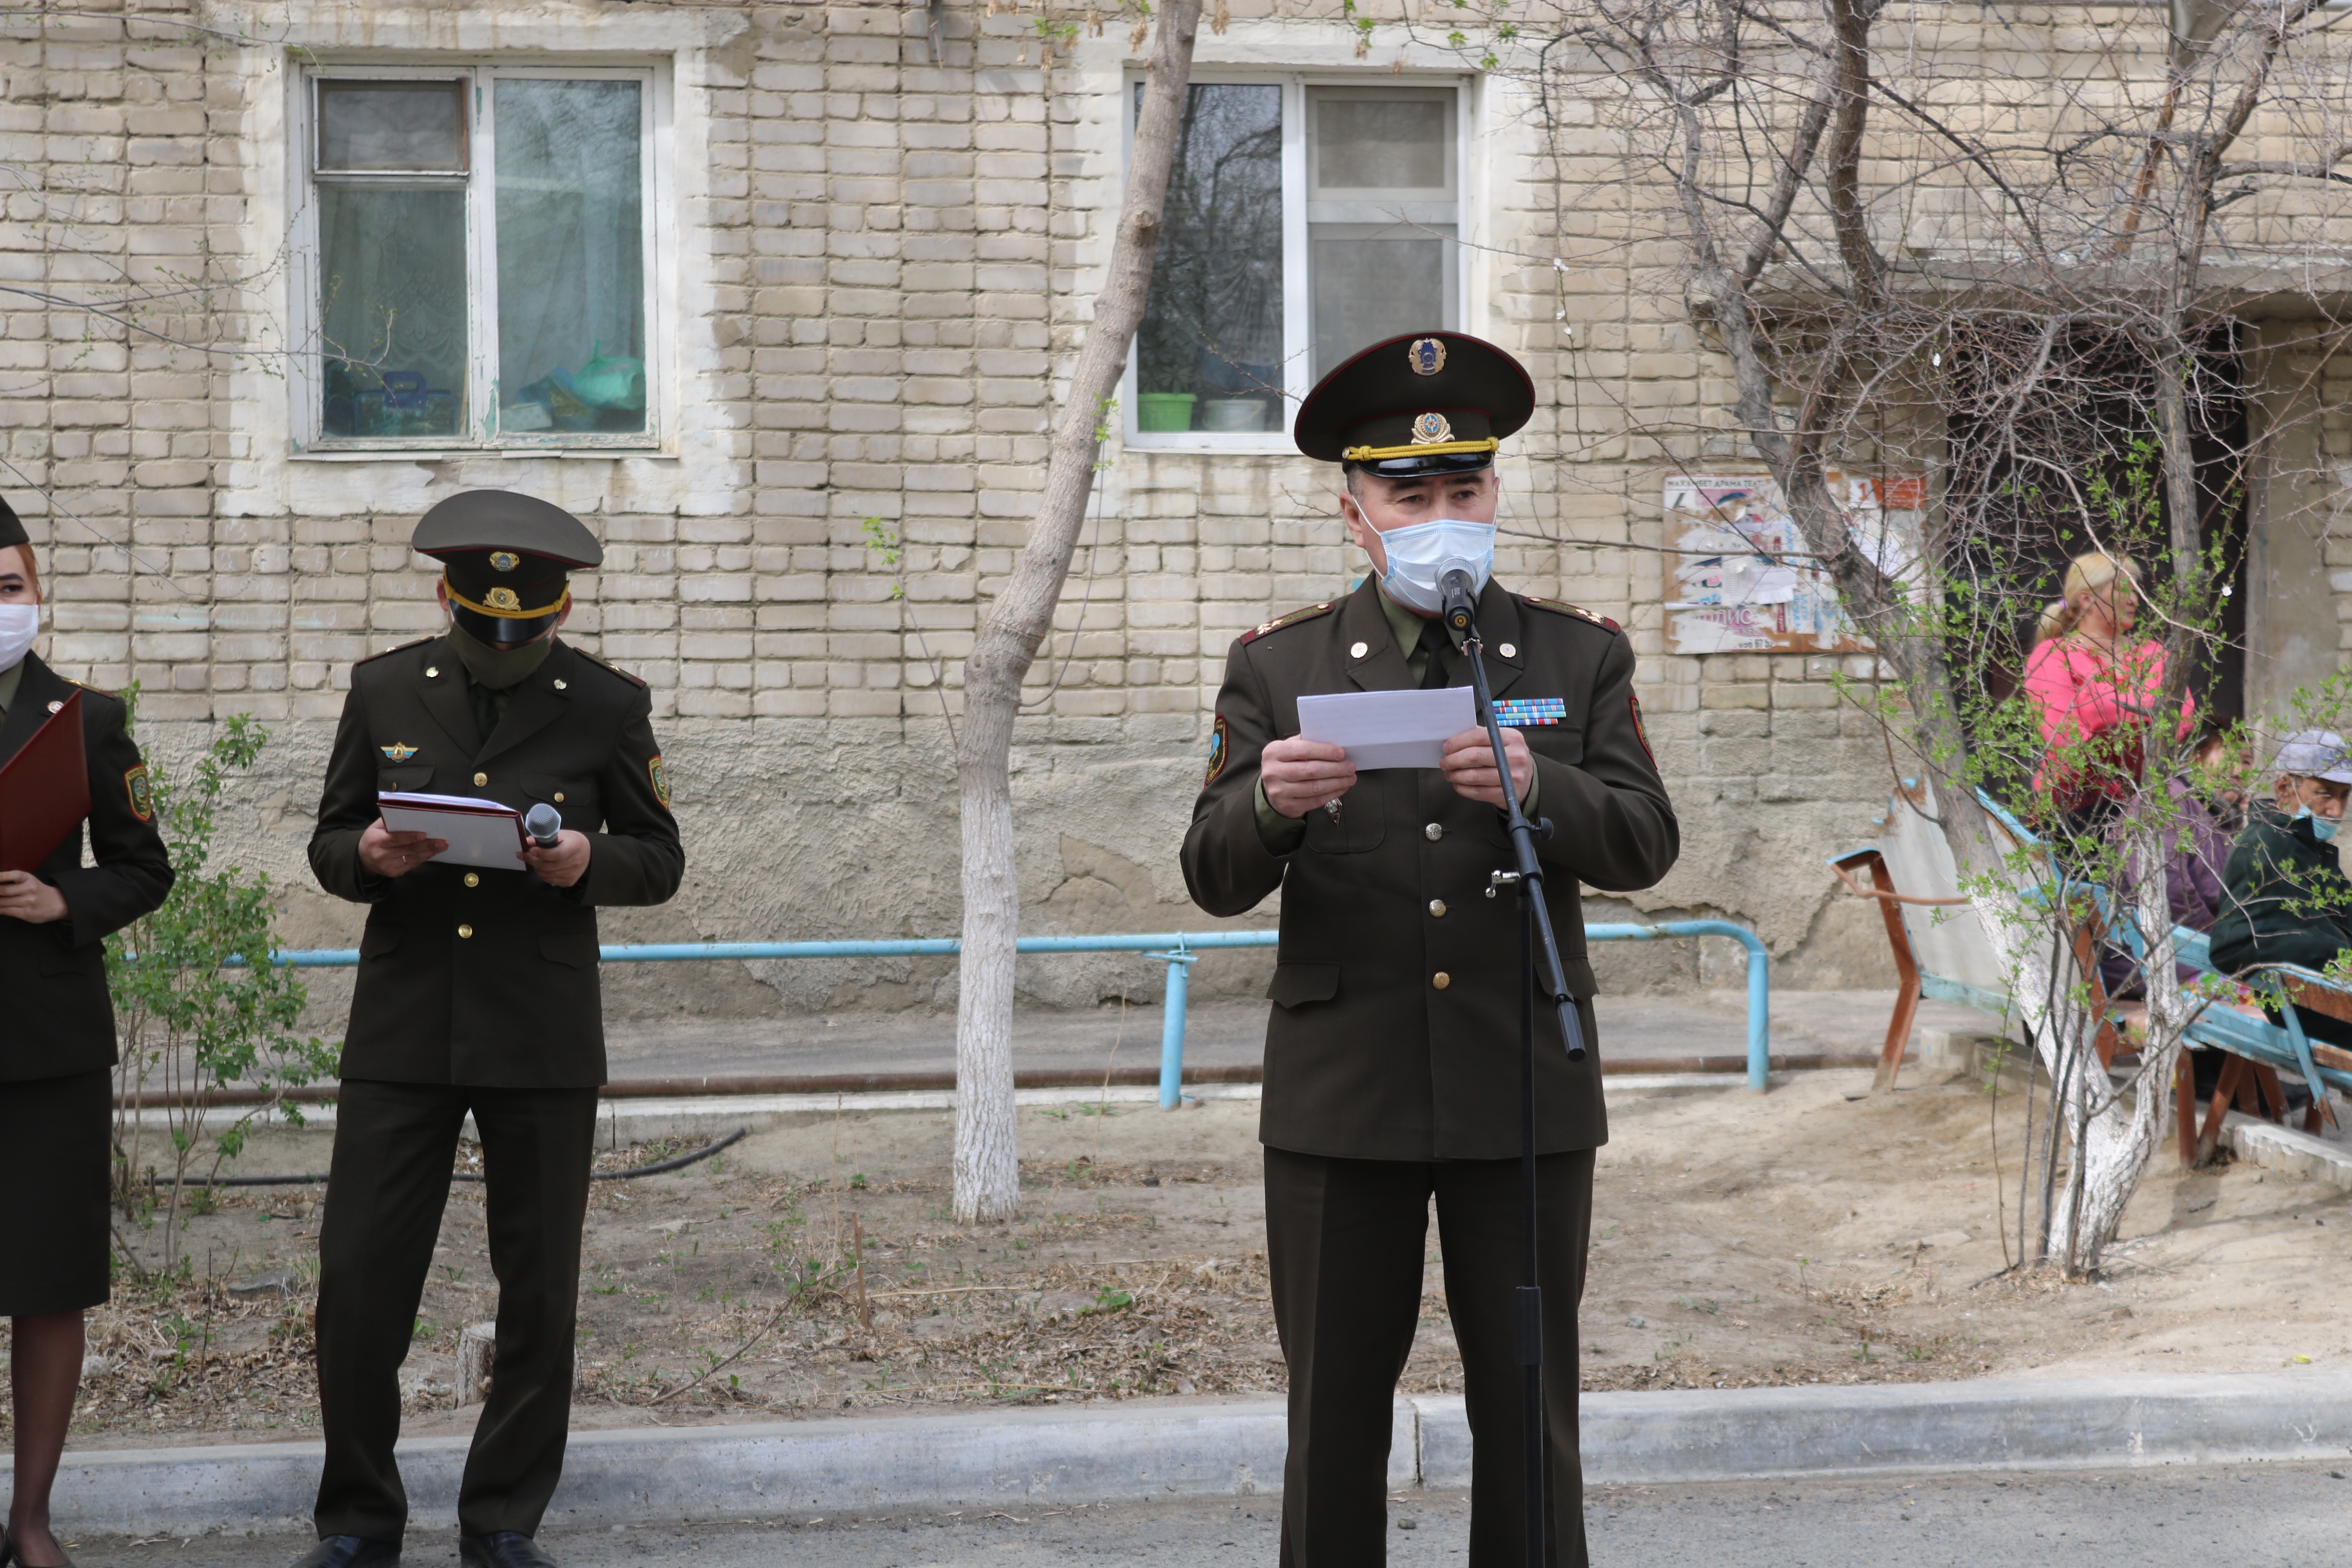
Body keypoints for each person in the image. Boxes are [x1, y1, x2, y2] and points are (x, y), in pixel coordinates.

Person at [1180, 332, 1679, 1567]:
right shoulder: (1277, 666)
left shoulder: (1575, 656)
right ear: (1356, 514)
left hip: (1520, 1085)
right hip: (1342, 1096)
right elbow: (1208, 873)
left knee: (1526, 1408)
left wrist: (1542, 781)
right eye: (1409, 495)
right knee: (1333, 1409)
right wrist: (1267, 808)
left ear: (1493, 495)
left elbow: (1645, 841)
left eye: (1463, 490)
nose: (1439, 515)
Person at [296, 492, 684, 1568]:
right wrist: (366, 858)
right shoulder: (385, 688)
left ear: (558, 617)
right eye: (484, 627)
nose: (504, 645)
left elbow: (660, 856)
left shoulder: (606, 703)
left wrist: (585, 865)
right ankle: (359, 1521)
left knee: (539, 1285)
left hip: (540, 1026)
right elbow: (329, 837)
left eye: (529, 630)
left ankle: (504, 1518)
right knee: (361, 1280)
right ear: (448, 602)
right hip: (406, 1021)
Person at [0, 496, 174, 1568]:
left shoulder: (87, 722)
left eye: (8, 586)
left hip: (46, 1041)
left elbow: (147, 867)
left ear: (36, 593)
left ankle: (32, 1518)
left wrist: (66, 904)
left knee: (48, 1279)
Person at [2020, 551, 2195, 842]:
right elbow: (2065, 738)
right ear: (2087, 599)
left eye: (2136, 590)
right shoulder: (2053, 656)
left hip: (2149, 800)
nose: (2134, 600)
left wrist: (2111, 731)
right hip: (2078, 810)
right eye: (2123, 589)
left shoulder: (2154, 653)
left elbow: (2184, 716)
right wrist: (2146, 730)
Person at [2208, 730, 2352, 1056]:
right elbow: (2236, 944)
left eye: (2344, 796)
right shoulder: (2263, 848)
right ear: (2285, 787)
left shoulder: (2304, 847)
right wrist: (2340, 958)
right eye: (2325, 794)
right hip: (2312, 1008)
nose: (2335, 809)